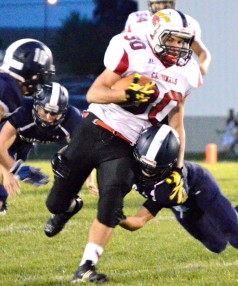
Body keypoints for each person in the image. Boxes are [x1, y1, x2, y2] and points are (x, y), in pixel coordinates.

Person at [44, 8, 201, 283]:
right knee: (55, 203)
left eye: (182, 41)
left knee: (112, 202)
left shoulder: (187, 71)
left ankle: (86, 267)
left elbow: (177, 123)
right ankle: (68, 208)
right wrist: (123, 94)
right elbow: (94, 93)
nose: (178, 47)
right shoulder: (132, 50)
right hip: (95, 127)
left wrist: (177, 169)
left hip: (128, 144)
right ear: (155, 34)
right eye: (172, 39)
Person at [118, 124, 238, 261]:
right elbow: (137, 221)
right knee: (218, 244)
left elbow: (141, 218)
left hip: (201, 188)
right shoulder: (129, 167)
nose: (145, 172)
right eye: (143, 166)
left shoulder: (171, 183)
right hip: (181, 205)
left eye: (153, 169)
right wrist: (116, 217)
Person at [0, 82, 83, 215]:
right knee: (5, 168)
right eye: (46, 111)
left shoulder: (73, 119)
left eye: (54, 113)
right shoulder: (22, 109)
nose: (49, 118)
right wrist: (9, 171)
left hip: (25, 140)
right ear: (37, 105)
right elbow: (1, 146)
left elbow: (81, 153)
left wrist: (88, 180)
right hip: (6, 133)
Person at [0, 38, 55, 212]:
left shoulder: (6, 83)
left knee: (16, 136)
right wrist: (15, 169)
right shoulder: (9, 90)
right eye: (41, 72)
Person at [123, 0, 211, 76]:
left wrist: (203, 66)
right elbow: (121, 41)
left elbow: (202, 52)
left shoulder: (185, 22)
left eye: (165, 2)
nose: (162, 6)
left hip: (169, 72)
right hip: (140, 68)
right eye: (158, 2)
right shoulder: (136, 19)